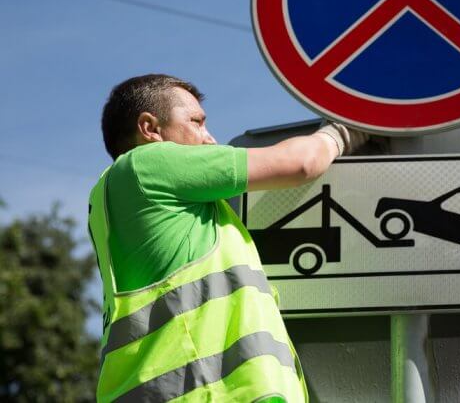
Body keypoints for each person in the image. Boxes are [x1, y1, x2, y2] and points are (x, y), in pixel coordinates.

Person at [88, 74, 368, 402]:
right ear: (150, 129)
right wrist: (346, 130)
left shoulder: (119, 199)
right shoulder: (147, 164)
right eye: (196, 122)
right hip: (208, 393)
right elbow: (302, 163)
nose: (210, 139)